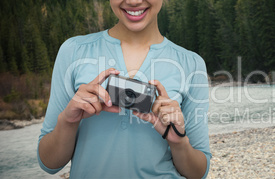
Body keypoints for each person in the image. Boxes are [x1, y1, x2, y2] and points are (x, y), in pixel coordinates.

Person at [37, 0, 211, 178]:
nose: (134, 1)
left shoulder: (191, 64)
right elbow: (49, 163)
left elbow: (198, 173)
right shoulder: (73, 51)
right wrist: (68, 121)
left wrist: (178, 141)